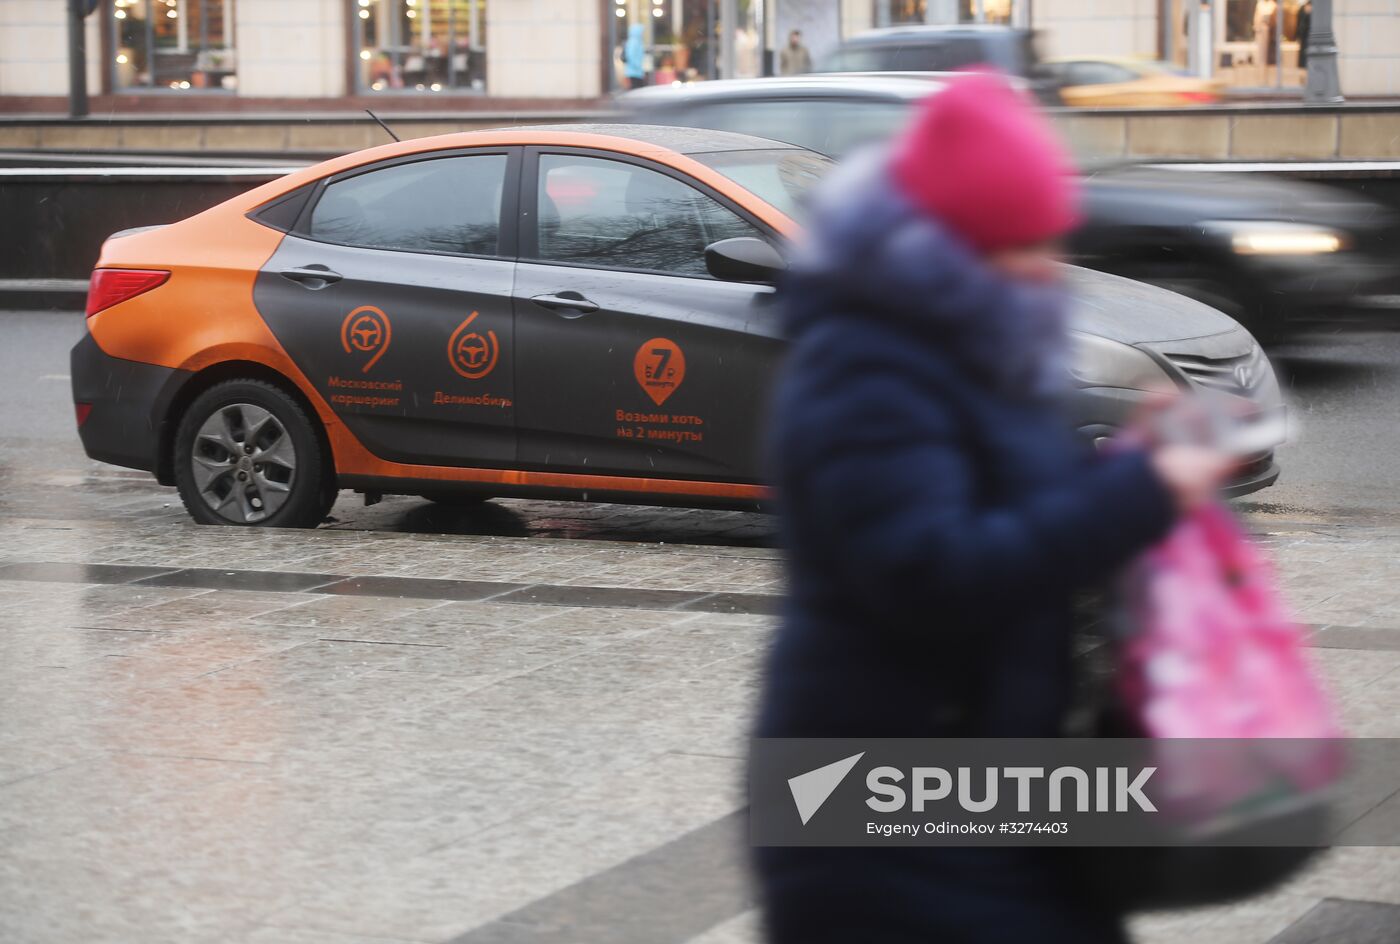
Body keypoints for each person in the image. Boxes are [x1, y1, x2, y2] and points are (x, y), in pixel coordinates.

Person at [752, 74, 1236, 943]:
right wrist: (1141, 492)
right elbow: (936, 573)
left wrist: (1136, 462)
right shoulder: (862, 369)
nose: (1049, 266)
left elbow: (1020, 506)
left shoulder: (976, 340)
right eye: (1025, 243)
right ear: (956, 245)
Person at [623, 24, 647, 90]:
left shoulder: (638, 42)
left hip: (637, 72)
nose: (642, 34)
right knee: (635, 90)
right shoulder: (633, 42)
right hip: (633, 72)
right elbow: (631, 56)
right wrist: (638, 66)